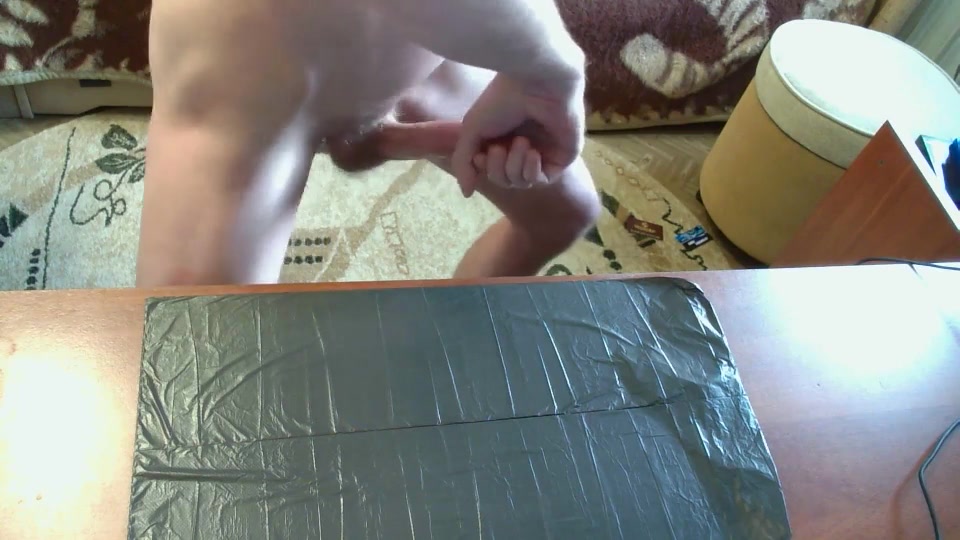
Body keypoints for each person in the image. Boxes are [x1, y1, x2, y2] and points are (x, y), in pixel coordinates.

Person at [136, 0, 600, 286]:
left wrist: (525, 59)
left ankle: (446, 346)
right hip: (244, 86)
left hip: (424, 53)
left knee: (567, 212)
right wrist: (549, 71)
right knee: (191, 348)